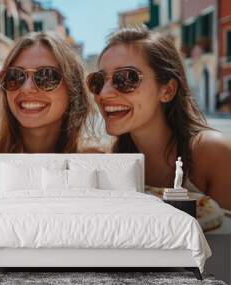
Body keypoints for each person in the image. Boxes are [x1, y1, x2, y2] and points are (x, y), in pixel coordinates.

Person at [86, 26, 231, 209]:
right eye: (98, 81)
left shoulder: (212, 152)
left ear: (167, 90)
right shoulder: (110, 160)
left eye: (126, 78)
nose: (104, 93)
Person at [0, 32, 99, 175]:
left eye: (47, 76)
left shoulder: (92, 157)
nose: (26, 88)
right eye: (15, 76)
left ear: (72, 87)